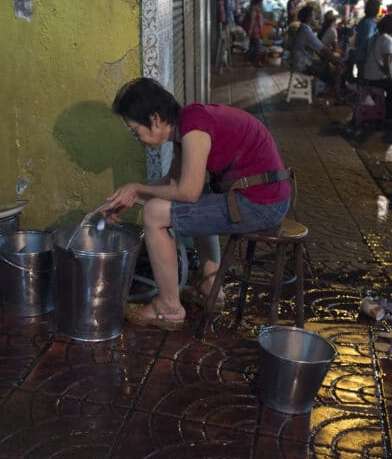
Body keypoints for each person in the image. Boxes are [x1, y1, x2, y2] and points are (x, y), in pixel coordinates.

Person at [103, 78, 291, 330]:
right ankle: (210, 286)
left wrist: (138, 190)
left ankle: (169, 307)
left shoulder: (194, 127)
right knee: (190, 199)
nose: (137, 138)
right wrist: (131, 196)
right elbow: (173, 184)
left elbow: (187, 192)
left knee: (154, 213)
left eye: (135, 131)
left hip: (262, 204)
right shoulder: (186, 126)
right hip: (264, 198)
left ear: (155, 119)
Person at [292, 6, 346, 100]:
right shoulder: (306, 31)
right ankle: (336, 96)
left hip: (301, 62)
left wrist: (331, 60)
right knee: (333, 70)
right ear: (308, 17)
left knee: (330, 66)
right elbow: (323, 49)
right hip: (303, 65)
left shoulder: (304, 29)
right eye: (313, 15)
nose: (315, 17)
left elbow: (319, 50)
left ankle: (333, 93)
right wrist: (337, 61)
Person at [362, 14, 392, 125]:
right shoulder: (387, 40)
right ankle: (389, 117)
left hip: (367, 76)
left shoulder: (374, 37)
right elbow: (386, 65)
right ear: (391, 26)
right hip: (376, 78)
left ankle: (385, 112)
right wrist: (391, 77)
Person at [352, 0, 380, 82]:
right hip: (365, 59)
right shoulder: (369, 23)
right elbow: (368, 42)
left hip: (360, 57)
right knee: (365, 82)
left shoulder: (365, 21)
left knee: (362, 82)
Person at [247, 0, 265, 67]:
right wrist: (250, 30)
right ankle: (256, 62)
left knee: (252, 46)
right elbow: (252, 20)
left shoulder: (257, 8)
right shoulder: (255, 9)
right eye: (261, 1)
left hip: (257, 29)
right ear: (259, 1)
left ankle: (249, 61)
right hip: (255, 30)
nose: (262, 3)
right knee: (257, 47)